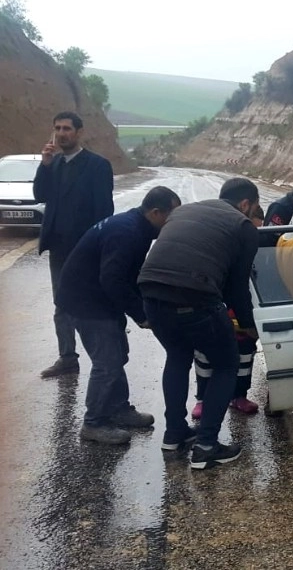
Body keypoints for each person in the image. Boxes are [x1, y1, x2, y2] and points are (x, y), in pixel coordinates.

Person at [138, 178, 260, 470]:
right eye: (253, 208)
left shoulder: (183, 211)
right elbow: (236, 289)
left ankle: (175, 434)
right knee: (226, 364)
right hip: (196, 297)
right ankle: (206, 446)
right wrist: (248, 325)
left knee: (178, 357)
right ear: (246, 204)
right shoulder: (243, 226)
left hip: (151, 294)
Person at [55, 186, 181, 444]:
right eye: (172, 216)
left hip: (100, 298)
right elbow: (112, 279)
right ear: (156, 213)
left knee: (118, 355)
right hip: (86, 301)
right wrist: (140, 314)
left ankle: (118, 409)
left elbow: (129, 275)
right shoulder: (127, 232)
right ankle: (93, 424)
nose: (173, 223)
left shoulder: (138, 227)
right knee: (107, 364)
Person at [33, 111, 115, 378]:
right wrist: (44, 165)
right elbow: (40, 195)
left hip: (84, 248)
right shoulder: (53, 165)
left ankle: (104, 358)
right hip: (58, 248)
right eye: (57, 128)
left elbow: (104, 210)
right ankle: (67, 356)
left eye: (67, 128)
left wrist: (98, 246)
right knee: (61, 303)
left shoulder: (97, 166)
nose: (61, 133)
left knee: (89, 302)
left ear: (79, 132)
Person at [190, 205, 266, 419]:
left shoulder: (255, 248)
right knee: (204, 358)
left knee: (244, 359)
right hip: (212, 309)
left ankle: (238, 396)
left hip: (241, 316)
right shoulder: (220, 243)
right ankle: (202, 399)